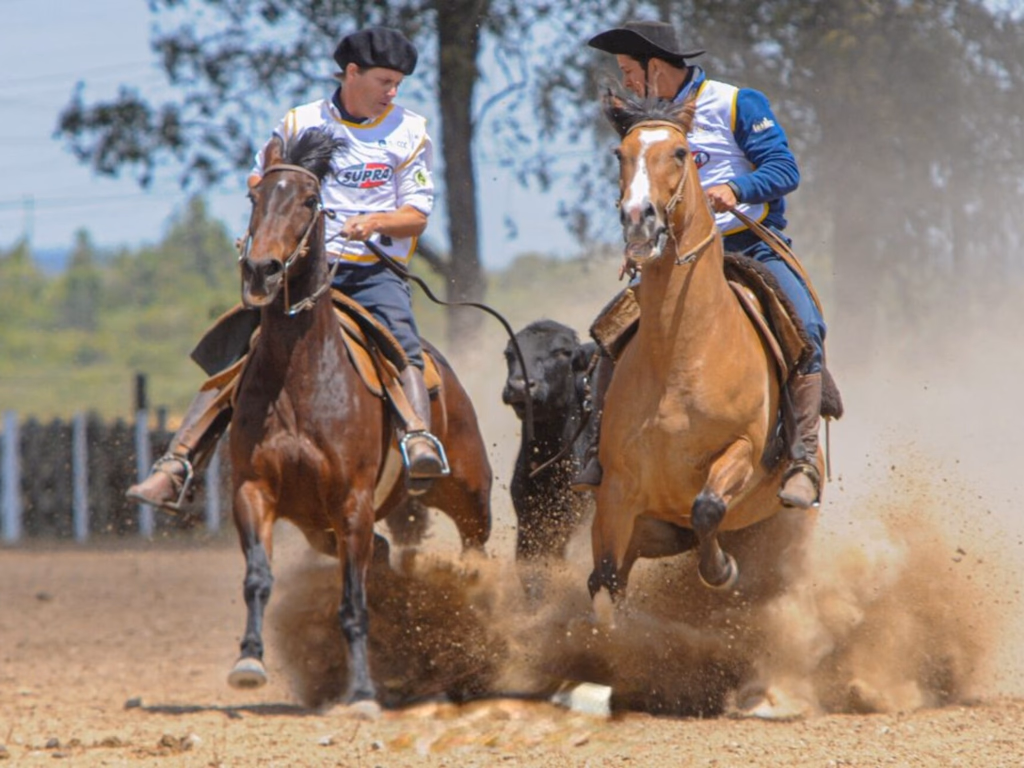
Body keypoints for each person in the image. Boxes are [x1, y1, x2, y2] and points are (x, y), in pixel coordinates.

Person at [127, 26, 446, 511]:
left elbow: (417, 214)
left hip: (373, 271)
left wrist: (375, 221)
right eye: (384, 80)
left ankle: (419, 440)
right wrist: (277, 205)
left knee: (403, 345)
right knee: (239, 352)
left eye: (398, 83)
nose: (392, 92)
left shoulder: (409, 130)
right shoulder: (300, 122)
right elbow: (261, 176)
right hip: (301, 274)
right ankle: (177, 463)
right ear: (352, 74)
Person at [574, 19, 828, 509]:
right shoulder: (643, 126)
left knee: (809, 330)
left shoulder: (736, 103)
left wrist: (736, 189)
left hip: (749, 246)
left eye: (630, 70)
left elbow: (784, 169)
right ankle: (597, 453)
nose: (626, 81)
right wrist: (638, 243)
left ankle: (803, 460)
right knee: (609, 333)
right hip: (674, 256)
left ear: (656, 66)